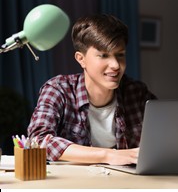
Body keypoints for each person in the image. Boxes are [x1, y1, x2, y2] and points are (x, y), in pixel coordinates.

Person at [27, 14, 156, 165]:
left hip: (127, 184)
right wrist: (108, 155)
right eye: (103, 55)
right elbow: (38, 141)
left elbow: (165, 138)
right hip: (75, 185)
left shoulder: (137, 93)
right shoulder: (58, 89)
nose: (115, 65)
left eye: (120, 55)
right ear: (81, 59)